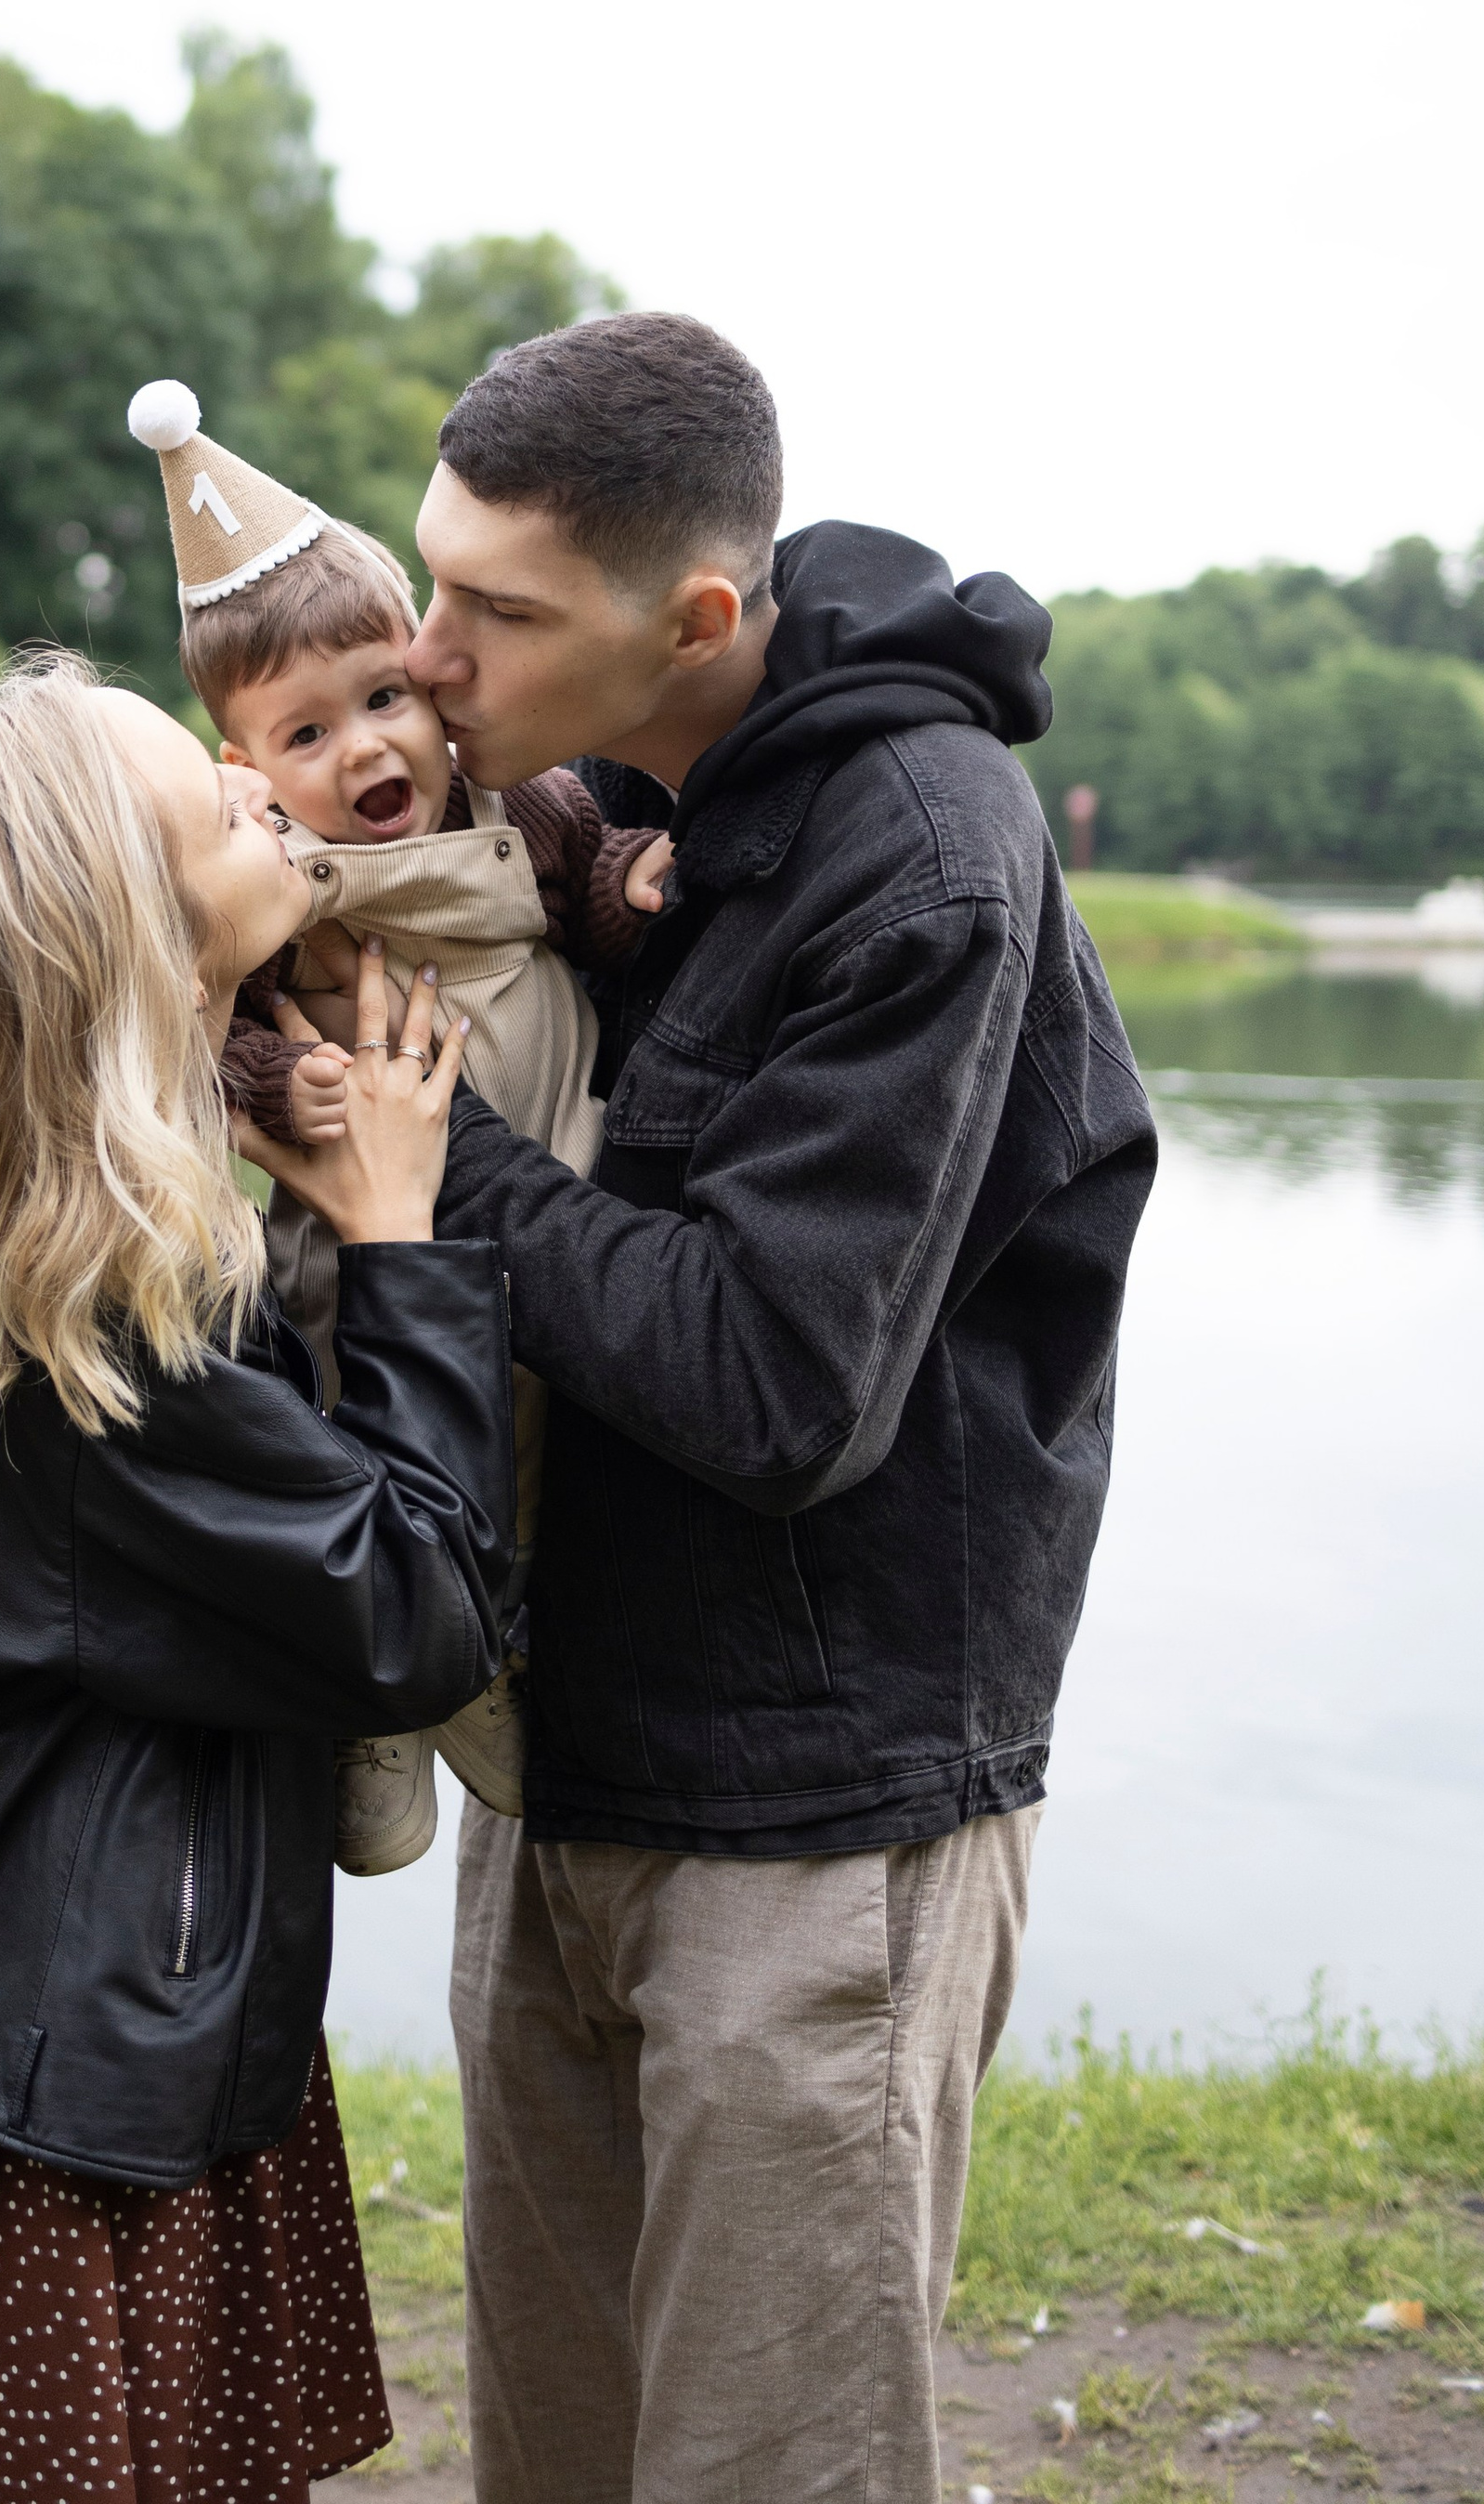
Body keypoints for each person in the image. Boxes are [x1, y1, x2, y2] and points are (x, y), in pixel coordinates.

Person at [391, 310, 1159, 2504]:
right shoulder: (619, 778)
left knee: (763, 2470)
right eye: (434, 577)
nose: (433, 649)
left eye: (493, 611)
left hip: (816, 1822)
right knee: (558, 2452)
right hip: (565, 1754)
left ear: (697, 617)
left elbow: (769, 1376)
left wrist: (426, 1152)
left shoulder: (919, 852)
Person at [0, 653, 512, 2504]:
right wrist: (399, 1244)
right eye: (207, 803)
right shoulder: (99, 1328)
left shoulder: (60, 1244)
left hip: (48, 2060)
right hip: (63, 2136)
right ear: (129, 953)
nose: (259, 784)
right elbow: (410, 1609)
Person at [124, 377, 672, 1876]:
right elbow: (203, 1014)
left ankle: (488, 1667)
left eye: (384, 697)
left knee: (543, 1447)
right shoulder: (268, 873)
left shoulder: (523, 807)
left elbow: (594, 878)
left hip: (549, 1179)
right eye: (309, 731)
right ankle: (375, 1710)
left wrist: (633, 889)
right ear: (246, 773)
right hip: (371, 1219)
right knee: (395, 1429)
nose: (367, 748)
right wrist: (266, 1084)